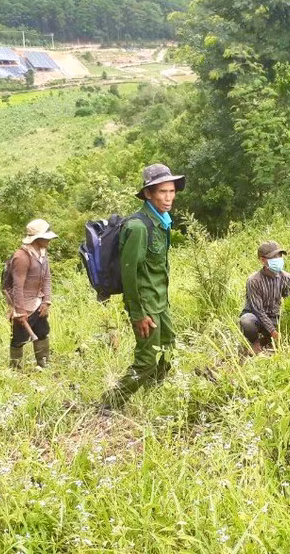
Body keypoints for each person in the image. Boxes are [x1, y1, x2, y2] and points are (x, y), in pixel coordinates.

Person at [99, 163, 185, 413]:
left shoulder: (162, 222)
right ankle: (111, 403)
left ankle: (154, 392)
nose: (169, 198)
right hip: (146, 305)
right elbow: (129, 275)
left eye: (171, 191)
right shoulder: (138, 227)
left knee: (169, 347)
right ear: (148, 194)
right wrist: (138, 314)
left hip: (161, 301)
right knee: (147, 360)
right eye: (162, 192)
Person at [4, 219, 57, 369]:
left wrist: (46, 301)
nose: (49, 240)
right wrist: (19, 312)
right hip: (24, 306)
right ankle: (15, 369)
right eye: (46, 237)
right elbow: (17, 287)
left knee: (42, 333)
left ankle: (43, 364)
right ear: (37, 238)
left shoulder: (43, 253)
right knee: (19, 339)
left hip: (39, 303)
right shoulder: (21, 257)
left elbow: (47, 278)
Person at [239, 241, 290, 355]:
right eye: (273, 257)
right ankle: (255, 345)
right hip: (257, 317)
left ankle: (268, 339)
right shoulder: (254, 281)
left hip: (274, 316)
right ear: (263, 260)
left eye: (279, 255)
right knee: (246, 320)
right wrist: (273, 331)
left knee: (287, 323)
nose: (278, 259)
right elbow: (258, 310)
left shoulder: (286, 278)